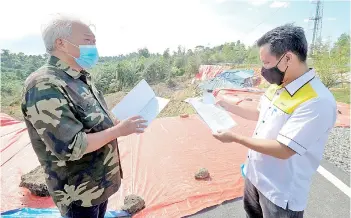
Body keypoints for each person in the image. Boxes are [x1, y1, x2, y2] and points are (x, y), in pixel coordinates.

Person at [20, 14, 147, 218]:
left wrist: (117, 122)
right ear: (61, 43)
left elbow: (96, 119)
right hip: (78, 192)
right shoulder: (44, 84)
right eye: (88, 41)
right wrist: (119, 130)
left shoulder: (80, 77)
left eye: (94, 41)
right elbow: (71, 146)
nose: (93, 46)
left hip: (99, 183)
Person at [213, 24, 337, 218]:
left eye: (267, 63)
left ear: (287, 58)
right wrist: (226, 106)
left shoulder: (317, 100)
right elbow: (259, 112)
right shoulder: (278, 85)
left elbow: (284, 149)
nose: (263, 70)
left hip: (280, 193)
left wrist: (235, 138)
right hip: (255, 177)